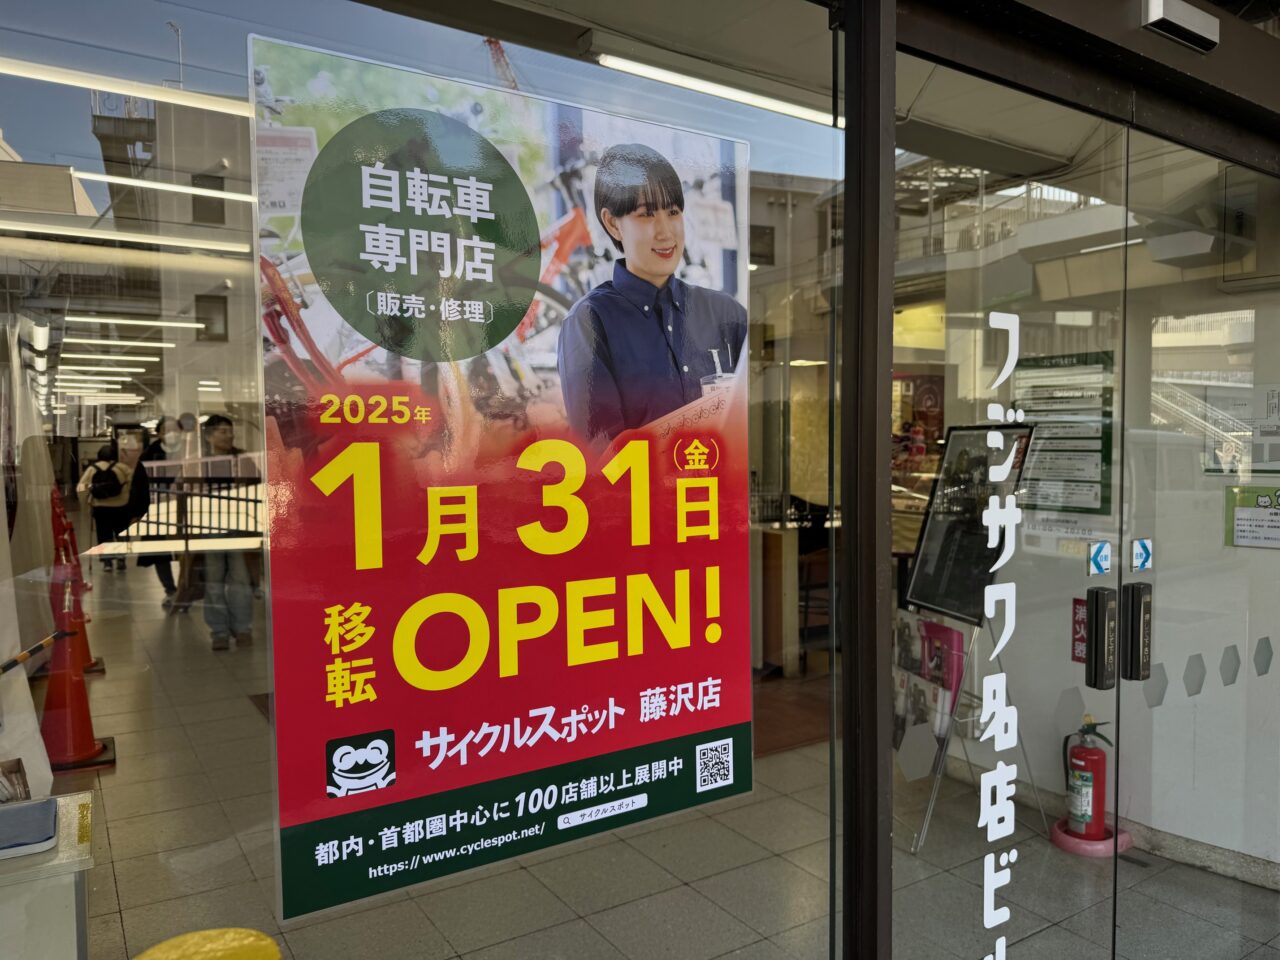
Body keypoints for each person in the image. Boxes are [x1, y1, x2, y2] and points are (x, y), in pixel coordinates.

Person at [557, 143, 747, 446]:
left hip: (721, 492)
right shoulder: (590, 322)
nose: (665, 232)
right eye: (646, 215)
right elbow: (601, 457)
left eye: (673, 212)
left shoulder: (727, 315)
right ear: (612, 223)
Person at [199, 415, 255, 650]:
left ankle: (242, 628)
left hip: (238, 525)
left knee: (240, 579)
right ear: (210, 435)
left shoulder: (243, 459)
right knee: (214, 579)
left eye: (230, 430)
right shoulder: (199, 462)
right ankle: (219, 631)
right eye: (222, 431)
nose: (229, 435)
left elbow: (257, 487)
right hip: (209, 526)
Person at [138, 416, 184, 606]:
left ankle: (185, 589)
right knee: (159, 552)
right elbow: (139, 485)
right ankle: (170, 590)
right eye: (167, 430)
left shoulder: (190, 452)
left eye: (175, 430)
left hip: (185, 509)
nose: (172, 434)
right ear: (159, 433)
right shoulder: (149, 455)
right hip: (156, 510)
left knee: (186, 552)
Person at [75, 442, 134, 572]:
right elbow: (133, 484)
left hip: (100, 507)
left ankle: (107, 562)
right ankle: (121, 559)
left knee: (103, 534)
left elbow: (81, 487)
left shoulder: (92, 469)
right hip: (121, 506)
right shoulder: (122, 468)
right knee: (121, 534)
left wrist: (86, 502)